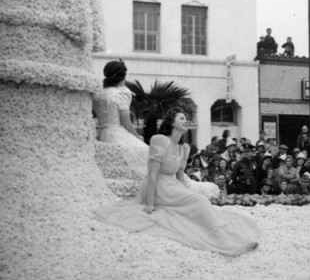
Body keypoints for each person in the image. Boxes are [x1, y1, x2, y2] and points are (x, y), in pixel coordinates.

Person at [94, 108, 259, 256]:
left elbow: (180, 177)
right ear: (171, 122)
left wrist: (187, 193)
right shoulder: (159, 140)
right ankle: (222, 241)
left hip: (172, 185)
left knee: (199, 203)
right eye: (181, 118)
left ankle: (224, 235)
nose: (185, 120)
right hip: (158, 186)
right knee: (200, 201)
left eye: (185, 118)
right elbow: (152, 174)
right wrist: (150, 203)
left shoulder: (184, 148)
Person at [92, 59, 149, 177]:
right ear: (123, 76)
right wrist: (137, 136)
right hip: (117, 134)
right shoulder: (121, 93)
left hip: (101, 134)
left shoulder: (98, 94)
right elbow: (125, 122)